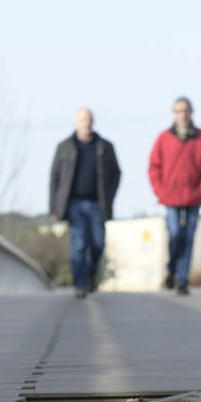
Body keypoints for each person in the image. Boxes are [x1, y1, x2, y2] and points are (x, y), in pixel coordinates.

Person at [147, 96, 201, 295]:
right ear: (173, 114)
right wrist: (160, 190)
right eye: (178, 111)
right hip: (170, 198)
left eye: (185, 110)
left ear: (191, 113)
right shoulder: (164, 138)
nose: (182, 114)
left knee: (188, 237)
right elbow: (153, 167)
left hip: (193, 197)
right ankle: (172, 268)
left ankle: (182, 278)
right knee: (175, 234)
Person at [49, 108, 121, 298]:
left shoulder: (104, 146)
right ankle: (80, 283)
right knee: (79, 244)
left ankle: (90, 274)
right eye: (82, 120)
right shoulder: (64, 146)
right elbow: (54, 177)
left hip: (98, 204)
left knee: (97, 243)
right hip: (74, 204)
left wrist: (110, 197)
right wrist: (54, 208)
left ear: (93, 122)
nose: (86, 123)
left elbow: (116, 174)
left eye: (88, 119)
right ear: (76, 123)